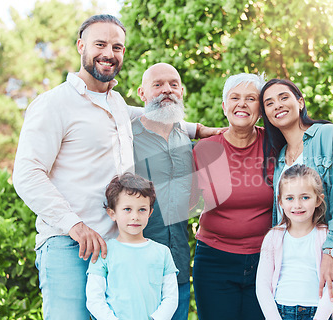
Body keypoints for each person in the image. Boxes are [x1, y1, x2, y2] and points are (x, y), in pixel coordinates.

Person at [12, 15, 211, 319]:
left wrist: (198, 128)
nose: (109, 53)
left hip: (114, 248)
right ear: (81, 46)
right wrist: (74, 226)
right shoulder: (54, 103)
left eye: (117, 47)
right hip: (68, 245)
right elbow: (27, 175)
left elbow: (154, 114)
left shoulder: (116, 104)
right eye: (100, 44)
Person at [191, 74, 333, 320]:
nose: (241, 104)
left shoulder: (275, 143)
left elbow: (312, 149)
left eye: (250, 98)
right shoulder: (203, 149)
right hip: (215, 259)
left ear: (260, 110)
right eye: (234, 98)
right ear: (223, 105)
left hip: (268, 259)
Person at [260, 79, 333, 320]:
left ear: (300, 102)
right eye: (269, 103)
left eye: (283, 97)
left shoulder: (329, 136)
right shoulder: (280, 157)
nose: (277, 105)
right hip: (303, 277)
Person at [132, 63, 194, 320]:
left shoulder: (187, 140)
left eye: (173, 84)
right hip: (136, 270)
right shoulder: (126, 137)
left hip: (178, 267)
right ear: (142, 94)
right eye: (157, 85)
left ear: (181, 91)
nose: (166, 90)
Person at [86, 173, 178, 320]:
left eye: (142, 209)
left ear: (150, 212)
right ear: (112, 213)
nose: (135, 216)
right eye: (127, 209)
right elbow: (94, 299)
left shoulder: (163, 253)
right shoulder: (104, 252)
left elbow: (171, 297)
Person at [256, 164, 333, 320]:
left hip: (316, 313)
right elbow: (262, 285)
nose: (297, 205)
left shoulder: (326, 237)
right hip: (281, 312)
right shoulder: (273, 238)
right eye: (290, 198)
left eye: (305, 197)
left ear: (318, 200)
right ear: (280, 201)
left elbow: (331, 286)